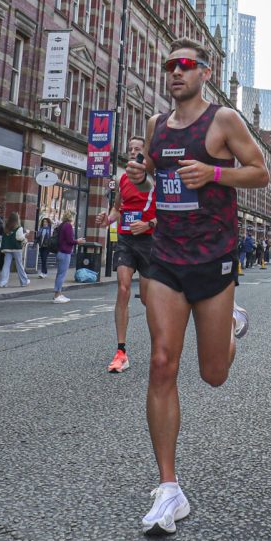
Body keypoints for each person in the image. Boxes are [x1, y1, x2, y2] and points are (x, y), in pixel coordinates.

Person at [139, 41, 268, 536]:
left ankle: (231, 325)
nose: (175, 72)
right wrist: (140, 174)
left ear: (204, 73)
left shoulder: (224, 121)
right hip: (165, 259)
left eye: (185, 65)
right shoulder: (154, 126)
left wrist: (214, 172)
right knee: (160, 362)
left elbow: (259, 171)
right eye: (169, 65)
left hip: (213, 261)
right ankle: (169, 488)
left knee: (213, 374)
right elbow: (155, 172)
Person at [103, 140, 157, 374]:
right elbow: (118, 207)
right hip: (125, 239)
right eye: (130, 149)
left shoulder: (154, 179)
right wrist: (108, 219)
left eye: (138, 149)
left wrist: (148, 224)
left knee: (147, 299)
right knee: (123, 288)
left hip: (149, 241)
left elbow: (168, 211)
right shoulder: (123, 179)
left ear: (145, 154)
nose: (133, 152)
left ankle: (160, 345)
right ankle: (121, 351)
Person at [0, 212, 30, 287]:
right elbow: (19, 238)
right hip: (16, 248)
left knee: (6, 265)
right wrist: (26, 234)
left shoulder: (6, 227)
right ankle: (24, 281)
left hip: (7, 248)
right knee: (19, 265)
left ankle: (3, 282)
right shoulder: (19, 228)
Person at [51, 214, 77, 303]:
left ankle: (59, 293)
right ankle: (57, 295)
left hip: (60, 252)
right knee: (61, 275)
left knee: (60, 274)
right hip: (65, 253)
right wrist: (78, 241)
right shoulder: (68, 225)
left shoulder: (62, 225)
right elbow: (70, 240)